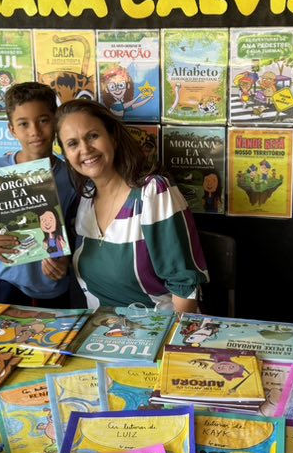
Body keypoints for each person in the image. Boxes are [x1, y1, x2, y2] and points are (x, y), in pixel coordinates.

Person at [55, 100, 208, 312]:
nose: (85, 149)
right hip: (102, 334)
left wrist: (171, 342)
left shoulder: (153, 193)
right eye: (73, 144)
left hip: (158, 332)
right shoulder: (85, 200)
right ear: (65, 154)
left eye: (93, 136)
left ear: (113, 138)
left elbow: (185, 291)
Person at [0, 82, 77, 307]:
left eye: (43, 120)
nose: (34, 131)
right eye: (23, 124)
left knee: (52, 341)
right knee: (3, 339)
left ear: (55, 121)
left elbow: (77, 232)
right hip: (6, 279)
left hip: (52, 281)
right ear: (12, 129)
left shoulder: (72, 177)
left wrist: (67, 261)